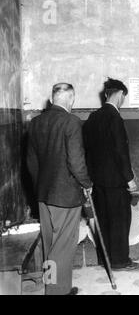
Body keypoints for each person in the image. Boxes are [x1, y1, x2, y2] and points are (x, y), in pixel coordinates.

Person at [27, 83, 93, 295]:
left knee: (50, 244)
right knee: (63, 245)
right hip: (65, 195)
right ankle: (57, 292)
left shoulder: (36, 122)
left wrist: (40, 187)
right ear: (71, 99)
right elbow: (76, 161)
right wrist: (86, 183)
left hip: (43, 194)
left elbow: (31, 162)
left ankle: (53, 285)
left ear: (53, 97)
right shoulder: (72, 122)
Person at [83, 78, 139, 272]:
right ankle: (119, 261)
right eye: (123, 97)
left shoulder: (93, 118)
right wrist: (129, 178)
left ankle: (105, 259)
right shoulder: (114, 117)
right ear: (119, 94)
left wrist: (91, 177)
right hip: (116, 180)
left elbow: (88, 151)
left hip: (98, 181)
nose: (123, 101)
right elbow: (119, 151)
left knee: (103, 219)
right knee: (119, 220)